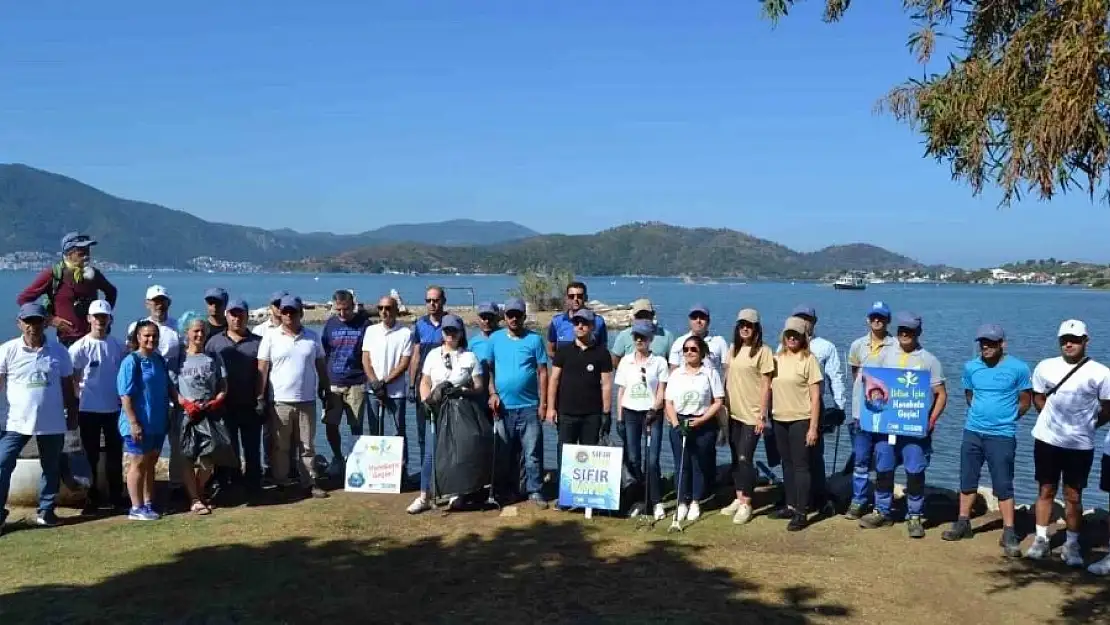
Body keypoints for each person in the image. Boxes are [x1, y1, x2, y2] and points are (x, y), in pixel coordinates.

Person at [1025, 319, 1110, 566]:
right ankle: (1041, 538)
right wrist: (1050, 421)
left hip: (1079, 444)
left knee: (1073, 495)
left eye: (1074, 340)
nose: (1069, 344)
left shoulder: (1101, 373)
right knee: (1045, 489)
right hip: (1047, 439)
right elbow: (1038, 397)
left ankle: (1071, 544)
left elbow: (1107, 408)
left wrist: (1089, 425)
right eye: (1064, 340)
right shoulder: (1045, 366)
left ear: (1086, 341)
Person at [941, 324, 1031, 557]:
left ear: (1003, 344)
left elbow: (1025, 400)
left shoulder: (1018, 368)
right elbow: (969, 395)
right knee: (967, 479)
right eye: (983, 342)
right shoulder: (971, 367)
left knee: (1003, 483)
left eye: (991, 342)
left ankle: (1009, 530)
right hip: (973, 431)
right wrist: (981, 415)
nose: (986, 346)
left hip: (1002, 435)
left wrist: (1006, 418)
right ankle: (963, 522)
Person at [859, 312, 947, 539]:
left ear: (918, 333)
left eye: (910, 331)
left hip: (914, 430)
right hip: (886, 427)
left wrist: (931, 420)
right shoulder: (885, 354)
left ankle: (915, 515)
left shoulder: (929, 360)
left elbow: (941, 394)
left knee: (915, 472)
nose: (905, 334)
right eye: (901, 330)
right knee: (883, 469)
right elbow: (869, 380)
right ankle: (882, 510)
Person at [0, 303, 78, 534]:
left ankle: (46, 511)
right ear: (19, 324)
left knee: (51, 466)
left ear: (45, 322)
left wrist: (72, 413)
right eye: (28, 321)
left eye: (37, 321)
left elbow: (67, 385)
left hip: (52, 421)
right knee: (2, 463)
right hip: (15, 421)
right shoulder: (7, 350)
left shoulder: (59, 351)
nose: (32, 326)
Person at [409, 314, 484, 514]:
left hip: (460, 409)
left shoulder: (469, 357)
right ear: (442, 333)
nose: (450, 335)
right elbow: (425, 381)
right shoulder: (433, 355)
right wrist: (426, 401)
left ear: (461, 333)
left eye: (454, 331)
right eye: (447, 331)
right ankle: (425, 495)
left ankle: (456, 494)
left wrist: (462, 391)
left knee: (457, 454)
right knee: (431, 453)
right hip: (436, 408)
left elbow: (478, 386)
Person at [257, 295, 330, 500]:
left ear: (301, 313)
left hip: (307, 400)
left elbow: (321, 365)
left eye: (293, 311)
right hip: (280, 401)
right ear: (280, 313)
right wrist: (260, 396)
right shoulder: (271, 337)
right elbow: (262, 368)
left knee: (307, 446)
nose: (289, 315)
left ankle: (309, 482)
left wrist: (325, 389)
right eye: (285, 311)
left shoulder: (312, 337)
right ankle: (281, 483)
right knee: (281, 446)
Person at [487, 297, 550, 508]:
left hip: (530, 406)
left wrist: (544, 404)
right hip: (503, 408)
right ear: (504, 317)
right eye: (510, 315)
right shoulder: (495, 339)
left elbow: (543, 372)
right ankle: (508, 491)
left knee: (532, 453)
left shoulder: (534, 340)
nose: (514, 318)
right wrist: (492, 393)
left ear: (524, 317)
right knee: (505, 454)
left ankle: (535, 490)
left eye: (518, 315)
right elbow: (489, 370)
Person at [68, 300, 126, 514]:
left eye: (104, 316)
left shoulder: (118, 346)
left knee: (114, 455)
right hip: (88, 410)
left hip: (114, 409)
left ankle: (117, 497)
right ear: (89, 319)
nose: (100, 320)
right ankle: (91, 498)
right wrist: (77, 399)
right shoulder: (79, 347)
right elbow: (71, 377)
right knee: (89, 456)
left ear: (110, 319)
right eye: (97, 316)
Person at [720, 309, 775, 525]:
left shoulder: (764, 352)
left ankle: (747, 503)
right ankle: (739, 495)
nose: (745, 328)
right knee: (735, 458)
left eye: (749, 325)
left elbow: (766, 385)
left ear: (756, 328)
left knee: (745, 458)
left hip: (752, 415)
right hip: (733, 413)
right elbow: (726, 378)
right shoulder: (733, 349)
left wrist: (763, 414)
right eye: (742, 324)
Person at [769, 317, 824, 532]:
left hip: (801, 419)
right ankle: (790, 505)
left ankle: (802, 511)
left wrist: (813, 427)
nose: (792, 338)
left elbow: (815, 397)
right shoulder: (775, 359)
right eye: (788, 334)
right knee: (787, 463)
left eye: (796, 334)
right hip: (779, 418)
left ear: (804, 337)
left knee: (801, 467)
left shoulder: (809, 360)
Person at [127, 285, 184, 492]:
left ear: (168, 303)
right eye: (154, 300)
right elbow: (131, 358)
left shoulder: (178, 327)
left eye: (162, 300)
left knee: (176, 444)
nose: (158, 305)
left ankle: (176, 485)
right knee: (146, 451)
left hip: (174, 394)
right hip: (147, 399)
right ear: (147, 303)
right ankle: (142, 495)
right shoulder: (137, 327)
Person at [17, 232, 118, 347]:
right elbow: (23, 299)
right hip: (67, 341)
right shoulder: (54, 274)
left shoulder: (93, 275)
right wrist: (50, 319)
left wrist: (104, 315)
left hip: (94, 339)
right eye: (81, 252)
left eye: (88, 250)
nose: (86, 255)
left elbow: (112, 292)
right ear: (69, 253)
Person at [665, 335, 725, 523]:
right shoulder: (676, 374)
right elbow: (669, 402)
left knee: (698, 464)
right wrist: (675, 424)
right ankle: (682, 501)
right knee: (682, 464)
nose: (689, 353)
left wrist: (701, 420)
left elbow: (718, 401)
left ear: (702, 352)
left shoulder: (710, 373)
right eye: (686, 350)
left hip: (703, 422)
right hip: (680, 422)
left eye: (693, 349)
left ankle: (696, 502)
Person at [844, 301, 896, 519]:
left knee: (885, 461)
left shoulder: (896, 345)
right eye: (874, 317)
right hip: (861, 413)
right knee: (861, 460)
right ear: (868, 319)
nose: (877, 320)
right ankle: (858, 501)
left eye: (881, 317)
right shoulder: (857, 345)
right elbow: (856, 373)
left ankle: (882, 506)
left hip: (888, 416)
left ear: (887, 320)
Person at [205, 299, 263, 492]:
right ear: (227, 316)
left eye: (241, 315)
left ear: (247, 316)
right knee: (228, 448)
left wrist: (263, 401)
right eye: (233, 314)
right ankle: (230, 484)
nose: (237, 319)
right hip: (224, 405)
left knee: (252, 447)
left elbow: (264, 374)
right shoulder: (214, 342)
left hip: (250, 404)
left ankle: (254, 484)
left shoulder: (258, 343)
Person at [117, 319, 173, 521]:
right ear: (138, 337)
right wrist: (133, 422)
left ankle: (149, 503)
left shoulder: (159, 360)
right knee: (138, 462)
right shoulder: (131, 361)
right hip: (137, 423)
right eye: (146, 335)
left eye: (154, 336)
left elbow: (166, 389)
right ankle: (135, 507)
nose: (151, 339)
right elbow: (125, 395)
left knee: (150, 463)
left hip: (157, 422)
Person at [614, 320, 669, 521]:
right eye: (636, 336)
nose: (639, 340)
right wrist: (619, 418)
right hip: (630, 413)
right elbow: (621, 391)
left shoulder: (659, 362)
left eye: (643, 337)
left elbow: (662, 390)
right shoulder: (626, 361)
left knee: (652, 460)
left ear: (650, 339)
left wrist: (655, 408)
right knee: (634, 458)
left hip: (652, 414)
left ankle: (656, 501)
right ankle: (639, 498)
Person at [176, 314, 228, 515]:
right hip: (186, 414)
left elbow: (223, 385)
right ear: (187, 333)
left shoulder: (213, 357)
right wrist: (185, 403)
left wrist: (218, 400)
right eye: (195, 331)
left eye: (202, 330)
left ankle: (198, 491)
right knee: (188, 456)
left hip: (210, 413)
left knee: (210, 457)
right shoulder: (179, 358)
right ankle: (196, 499)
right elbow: (172, 386)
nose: (199, 334)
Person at [548, 308, 614, 455]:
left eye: (584, 323)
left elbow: (607, 385)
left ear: (592, 326)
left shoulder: (602, 353)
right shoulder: (563, 351)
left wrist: (606, 413)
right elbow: (554, 380)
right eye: (576, 323)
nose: (580, 326)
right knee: (565, 455)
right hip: (566, 413)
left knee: (589, 456)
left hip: (592, 414)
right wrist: (551, 408)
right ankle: (561, 479)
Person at [362, 296, 415, 473]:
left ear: (395, 310)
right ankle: (376, 471)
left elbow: (404, 362)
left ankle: (400, 472)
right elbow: (366, 359)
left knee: (397, 433)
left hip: (396, 392)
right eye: (381, 308)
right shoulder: (370, 331)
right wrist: (374, 382)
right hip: (372, 391)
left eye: (388, 308)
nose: (384, 311)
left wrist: (385, 382)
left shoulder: (405, 333)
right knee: (375, 432)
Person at [321, 289, 370, 478]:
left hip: (356, 381)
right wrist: (323, 382)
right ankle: (337, 457)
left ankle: (355, 460)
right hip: (334, 382)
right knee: (331, 424)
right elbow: (324, 353)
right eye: (339, 310)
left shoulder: (364, 325)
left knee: (356, 425)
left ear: (353, 306)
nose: (343, 314)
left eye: (346, 309)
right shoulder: (330, 325)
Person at [409, 286, 448, 477]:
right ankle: (426, 471)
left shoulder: (450, 323)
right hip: (422, 385)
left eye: (436, 300)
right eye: (429, 300)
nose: (432, 304)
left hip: (444, 387)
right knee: (422, 432)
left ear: (443, 301)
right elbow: (415, 356)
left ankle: (442, 471)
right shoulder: (419, 325)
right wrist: (411, 385)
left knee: (444, 430)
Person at [547, 281, 608, 358]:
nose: (575, 299)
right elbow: (551, 351)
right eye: (571, 296)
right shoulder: (557, 322)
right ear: (567, 298)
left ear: (585, 297)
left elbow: (603, 351)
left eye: (579, 296)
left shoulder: (598, 321)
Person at [668, 304, 729, 377]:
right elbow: (673, 370)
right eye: (694, 317)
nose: (698, 320)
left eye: (702, 317)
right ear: (689, 321)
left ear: (708, 321)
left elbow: (726, 370)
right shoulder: (679, 342)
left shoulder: (719, 342)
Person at [611, 299, 675, 366]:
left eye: (646, 315)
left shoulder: (667, 336)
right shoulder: (624, 335)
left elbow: (673, 363)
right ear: (634, 317)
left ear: (653, 315)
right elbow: (615, 361)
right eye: (640, 316)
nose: (643, 319)